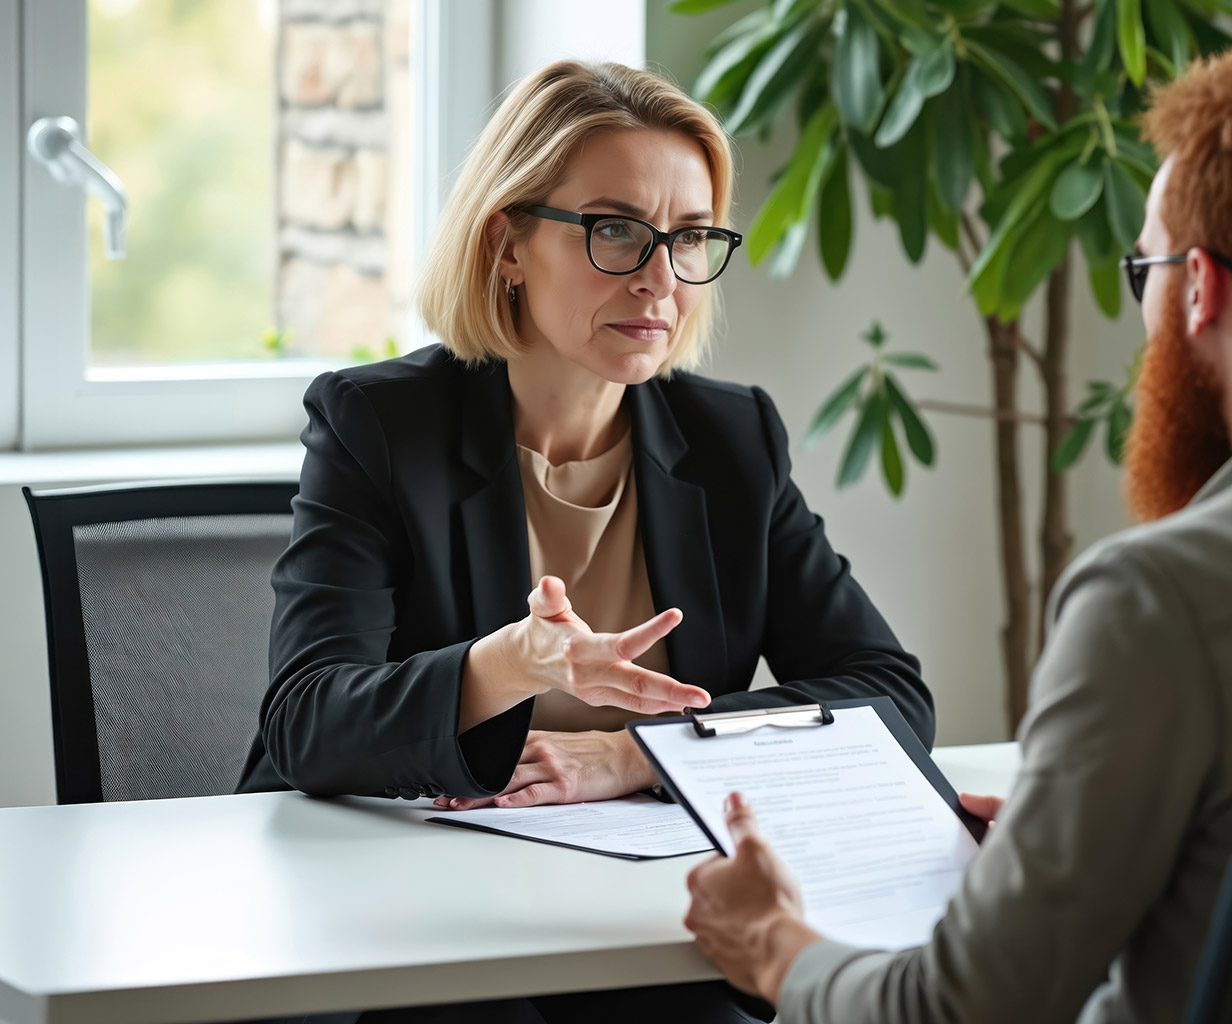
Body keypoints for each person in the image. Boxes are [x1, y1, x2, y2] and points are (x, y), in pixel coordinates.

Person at [683, 43, 1232, 1023]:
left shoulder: (1161, 599)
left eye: (1146, 267)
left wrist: (777, 946)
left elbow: (960, 1011)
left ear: (1201, 289)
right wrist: (1074, 850)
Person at [235, 59, 932, 1023]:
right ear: (508, 243)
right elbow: (306, 722)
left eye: (689, 239)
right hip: (410, 919)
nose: (659, 279)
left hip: (637, 915)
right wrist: (511, 665)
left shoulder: (732, 441)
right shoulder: (379, 425)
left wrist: (640, 754)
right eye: (615, 231)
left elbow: (886, 694)